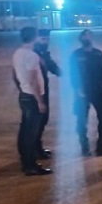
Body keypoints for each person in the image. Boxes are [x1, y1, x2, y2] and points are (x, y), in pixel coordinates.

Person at [70, 29, 102, 157]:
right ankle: (84, 147)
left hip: (98, 91)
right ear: (81, 39)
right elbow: (72, 74)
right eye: (85, 36)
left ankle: (101, 146)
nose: (87, 38)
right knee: (81, 120)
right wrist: (77, 89)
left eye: (89, 35)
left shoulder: (98, 54)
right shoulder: (76, 55)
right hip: (82, 92)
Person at [12, 27, 50, 176]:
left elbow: (14, 75)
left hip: (24, 95)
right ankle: (31, 165)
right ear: (34, 37)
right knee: (31, 133)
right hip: (32, 98)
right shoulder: (31, 56)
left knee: (24, 131)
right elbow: (33, 80)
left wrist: (22, 89)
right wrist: (40, 101)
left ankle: (25, 162)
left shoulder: (17, 53)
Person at [33, 29, 60, 158]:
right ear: (36, 39)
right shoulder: (33, 54)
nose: (46, 42)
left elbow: (52, 66)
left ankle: (38, 149)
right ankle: (34, 151)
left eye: (47, 39)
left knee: (42, 120)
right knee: (36, 122)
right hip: (36, 93)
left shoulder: (43, 53)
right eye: (43, 39)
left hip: (44, 90)